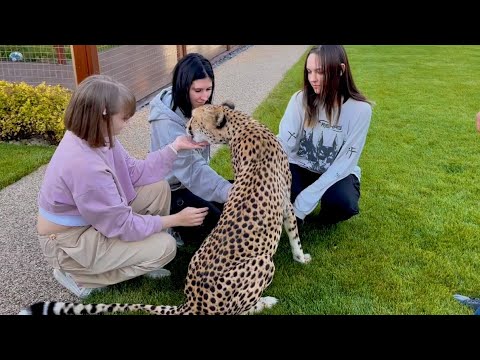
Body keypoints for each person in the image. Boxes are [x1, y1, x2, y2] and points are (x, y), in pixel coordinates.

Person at [37, 74, 209, 299]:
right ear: (103, 116)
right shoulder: (85, 166)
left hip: (92, 222)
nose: (127, 124)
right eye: (125, 118)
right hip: (69, 242)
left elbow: (136, 172)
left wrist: (175, 147)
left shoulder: (99, 137)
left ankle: (141, 257)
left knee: (158, 187)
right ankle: (80, 276)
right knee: (166, 247)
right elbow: (122, 224)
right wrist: (176, 220)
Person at [277, 45, 373, 226]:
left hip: (337, 171)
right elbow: (285, 142)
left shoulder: (361, 110)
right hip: (299, 166)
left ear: (341, 70)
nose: (312, 79)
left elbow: (345, 162)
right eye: (309, 71)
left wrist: (306, 200)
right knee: (280, 193)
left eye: (320, 72)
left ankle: (322, 220)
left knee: (343, 202)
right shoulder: (300, 99)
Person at [148, 53, 233, 245]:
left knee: (239, 202)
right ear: (183, 87)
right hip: (171, 192)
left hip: (193, 184)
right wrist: (226, 190)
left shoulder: (197, 105)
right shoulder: (166, 123)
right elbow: (193, 171)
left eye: (209, 89)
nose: (205, 97)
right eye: (198, 90)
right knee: (224, 227)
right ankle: (172, 229)